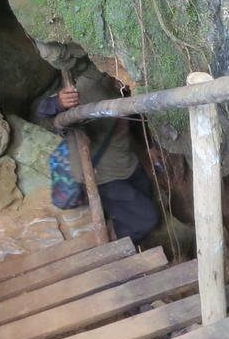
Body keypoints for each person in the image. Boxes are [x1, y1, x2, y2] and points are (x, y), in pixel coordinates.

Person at [37, 68, 159, 245]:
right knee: (145, 220)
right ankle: (120, 250)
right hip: (103, 174)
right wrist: (58, 102)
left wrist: (150, 147)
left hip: (129, 164)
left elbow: (136, 117)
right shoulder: (88, 86)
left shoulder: (124, 84)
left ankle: (126, 236)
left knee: (143, 207)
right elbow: (43, 114)